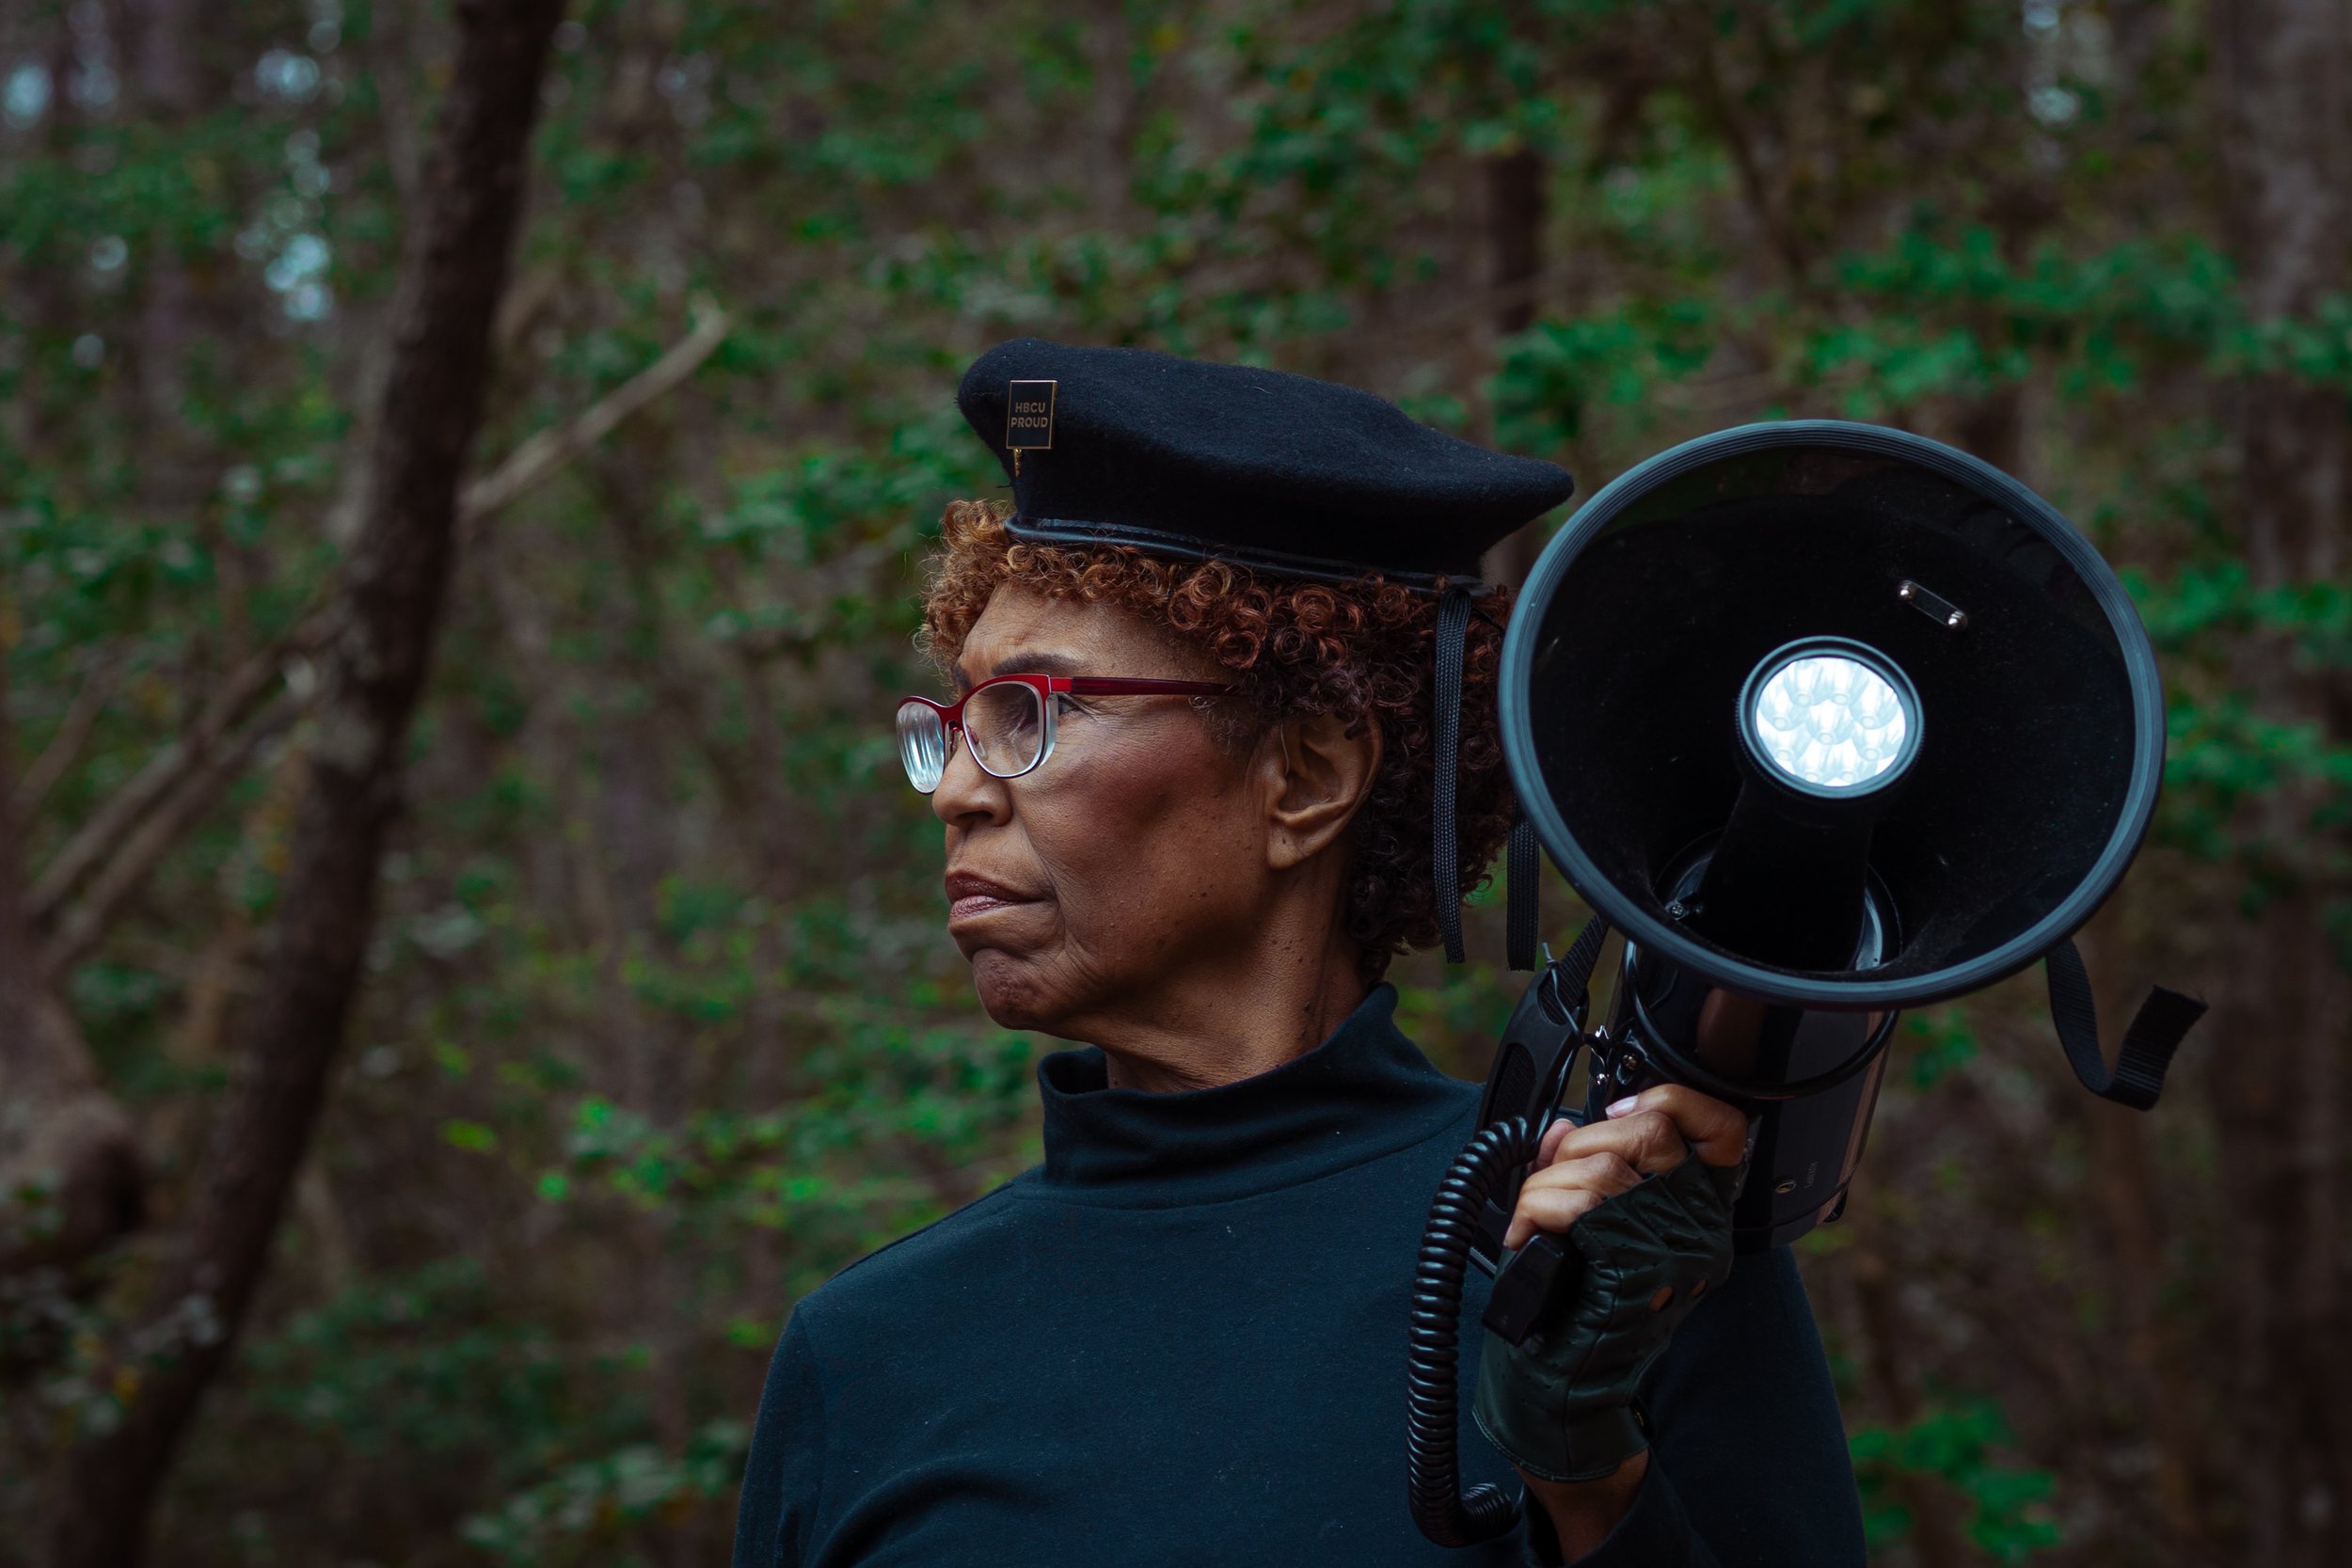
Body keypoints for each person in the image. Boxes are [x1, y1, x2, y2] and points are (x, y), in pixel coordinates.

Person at [731, 340, 1867, 1566]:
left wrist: (1587, 1470)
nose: (955, 790)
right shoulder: (868, 1356)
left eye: (1032, 713)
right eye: (951, 722)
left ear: (1306, 778)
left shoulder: (1607, 1257)